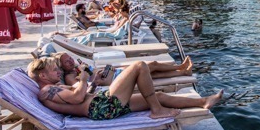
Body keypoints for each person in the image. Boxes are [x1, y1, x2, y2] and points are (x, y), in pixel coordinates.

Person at [27, 57, 223, 120]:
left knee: (159, 95)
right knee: (139, 66)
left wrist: (93, 81)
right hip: (101, 107)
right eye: (54, 70)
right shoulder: (46, 91)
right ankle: (157, 111)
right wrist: (85, 78)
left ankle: (203, 101)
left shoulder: (54, 88)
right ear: (42, 76)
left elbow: (79, 96)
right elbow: (78, 99)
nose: (57, 72)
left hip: (101, 103)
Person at [54, 52, 193, 87]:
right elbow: (81, 86)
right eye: (67, 61)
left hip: (114, 73)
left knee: (153, 70)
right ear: (62, 66)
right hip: (115, 80)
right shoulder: (68, 77)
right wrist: (85, 76)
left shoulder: (77, 68)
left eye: (70, 58)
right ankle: (180, 68)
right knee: (152, 67)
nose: (71, 61)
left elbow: (92, 73)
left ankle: (182, 70)